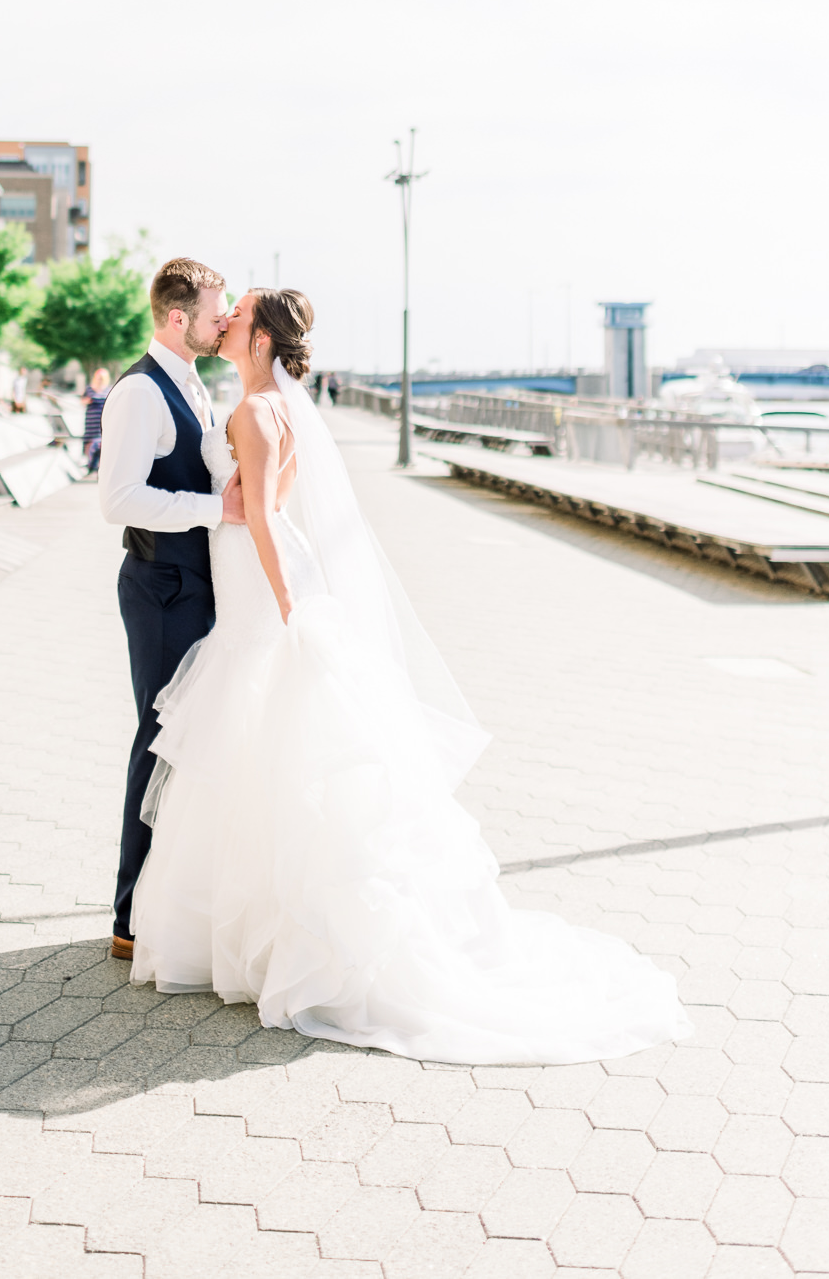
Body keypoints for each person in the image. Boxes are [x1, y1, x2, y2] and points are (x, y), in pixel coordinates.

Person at [127, 287, 690, 1064]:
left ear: (258, 340)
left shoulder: (257, 413)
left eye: (238, 313)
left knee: (259, 746)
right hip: (265, 582)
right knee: (262, 749)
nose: (225, 320)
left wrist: (289, 605)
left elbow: (259, 516)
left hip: (263, 588)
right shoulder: (273, 405)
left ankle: (266, 941)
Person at [97, 258, 246, 960]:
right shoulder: (139, 394)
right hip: (161, 588)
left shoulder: (193, 383)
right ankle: (130, 917)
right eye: (216, 309)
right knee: (158, 741)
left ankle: (169, 901)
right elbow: (117, 500)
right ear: (177, 317)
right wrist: (216, 508)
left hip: (196, 584)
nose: (225, 318)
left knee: (190, 742)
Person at [82, 367, 111, 474]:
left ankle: (98, 464)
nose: (99, 380)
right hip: (91, 419)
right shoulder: (89, 389)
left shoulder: (109, 389)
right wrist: (88, 401)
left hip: (103, 419)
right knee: (90, 441)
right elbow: (82, 401)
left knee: (101, 442)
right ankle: (90, 462)